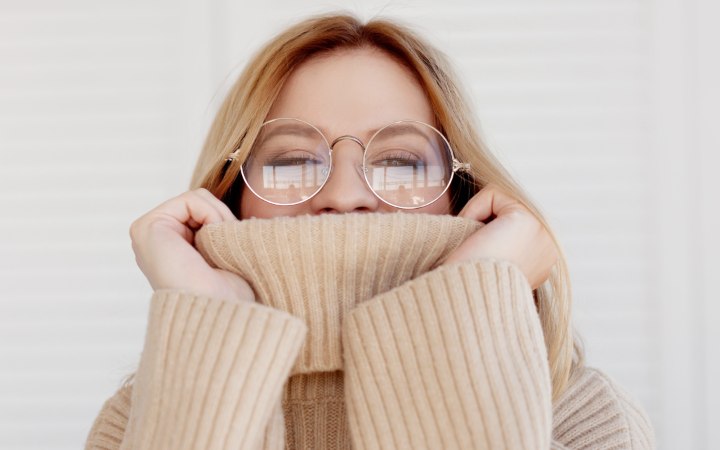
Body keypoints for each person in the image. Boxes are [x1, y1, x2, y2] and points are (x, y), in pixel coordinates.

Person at [85, 13, 655, 450]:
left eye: (401, 163)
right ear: (231, 192)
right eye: (289, 162)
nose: (345, 195)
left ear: (462, 194)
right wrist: (208, 329)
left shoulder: (577, 414)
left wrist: (460, 308)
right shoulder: (134, 422)